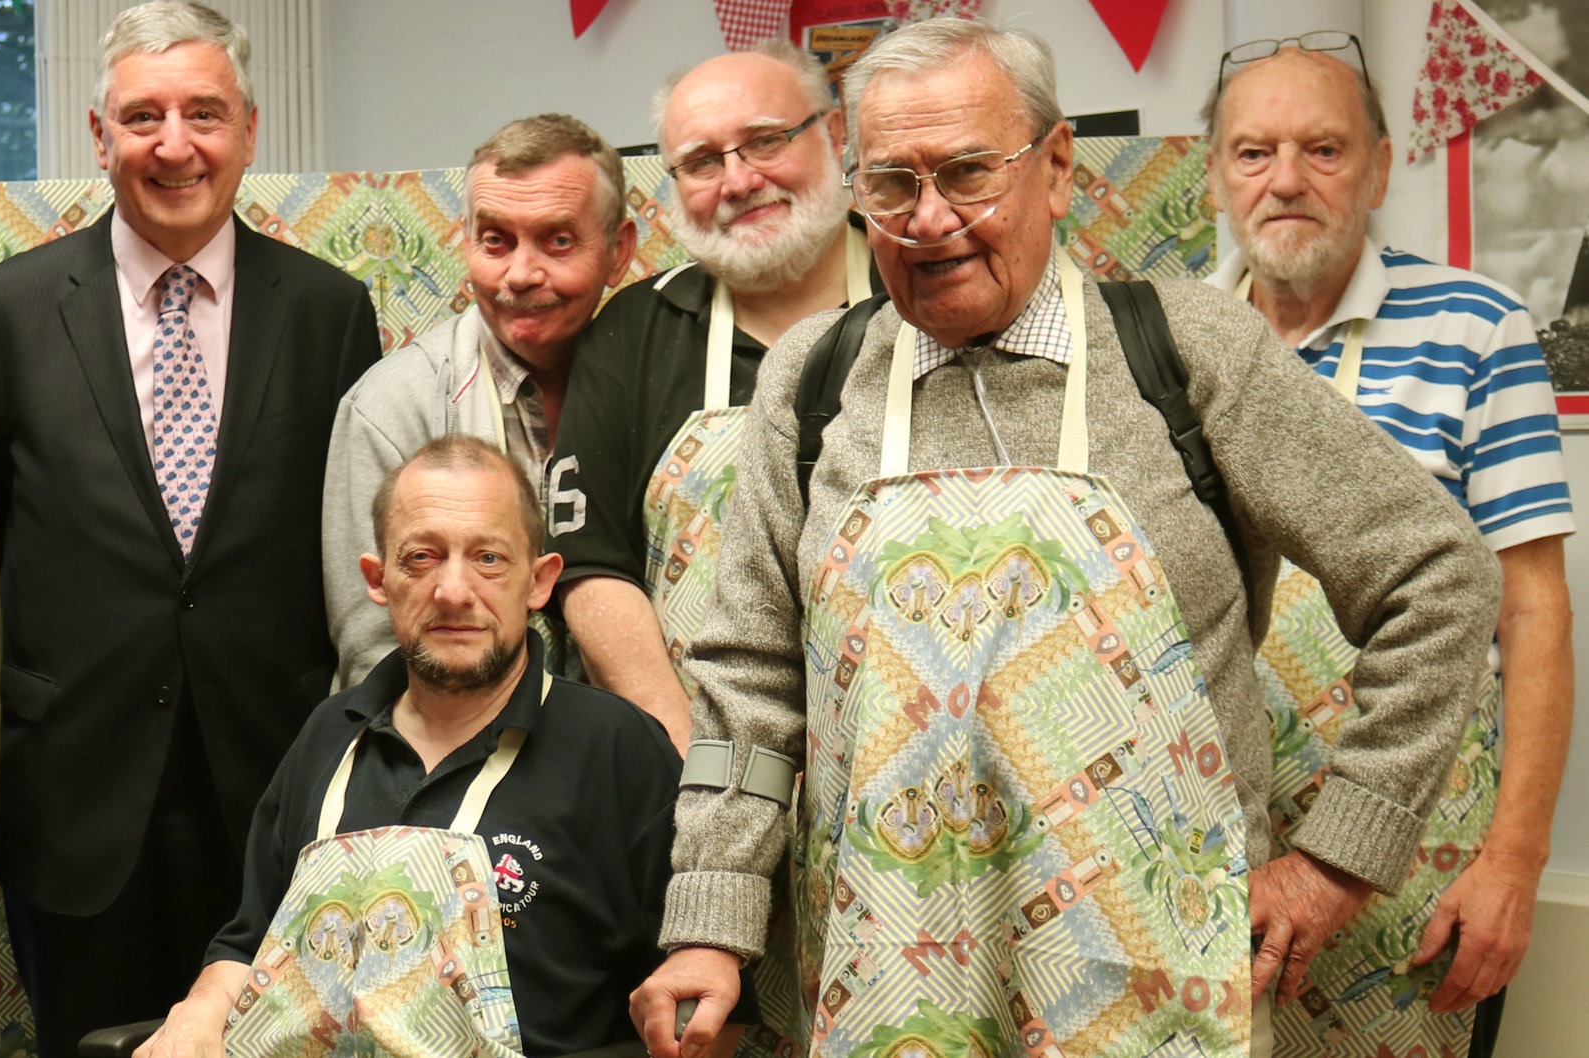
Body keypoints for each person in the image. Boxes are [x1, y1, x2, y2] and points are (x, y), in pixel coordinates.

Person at [628, 19, 1502, 1058]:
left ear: (1053, 167)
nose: (928, 219)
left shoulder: (1183, 353)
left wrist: (1334, 861)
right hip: (883, 989)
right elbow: (748, 680)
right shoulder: (817, 378)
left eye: (966, 173)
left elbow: (1438, 573)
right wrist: (711, 923)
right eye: (892, 185)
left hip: (1159, 993)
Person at [0, 2, 381, 1052]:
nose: (174, 144)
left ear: (249, 128)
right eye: (142, 116)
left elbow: (356, 553)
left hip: (271, 791)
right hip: (76, 800)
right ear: (99, 137)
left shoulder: (329, 312)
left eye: (204, 113)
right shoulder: (5, 311)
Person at [1204, 36, 1574, 1058]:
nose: (1285, 180)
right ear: (1212, 176)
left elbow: (1532, 607)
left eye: (1322, 150)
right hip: (1216, 842)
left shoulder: (1475, 327)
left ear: (1374, 167)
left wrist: (1513, 860)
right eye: (1252, 152)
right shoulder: (1162, 337)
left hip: (1419, 848)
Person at [138, 435, 681, 1058]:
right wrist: (200, 1012)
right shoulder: (328, 737)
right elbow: (249, 945)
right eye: (421, 557)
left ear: (539, 581)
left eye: (488, 558)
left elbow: (704, 1010)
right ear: (378, 579)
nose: (453, 591)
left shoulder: (620, 752)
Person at [548, 41, 877, 750]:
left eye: (765, 142)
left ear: (837, 135)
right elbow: (590, 563)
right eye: (702, 161)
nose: (738, 180)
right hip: (698, 752)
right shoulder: (633, 331)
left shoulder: (923, 297)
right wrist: (685, 753)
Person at [322, 113, 636, 688]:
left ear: (619, 251)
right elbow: (373, 650)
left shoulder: (657, 378)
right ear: (465, 239)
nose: (519, 274)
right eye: (495, 241)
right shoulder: (390, 406)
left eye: (558, 241)